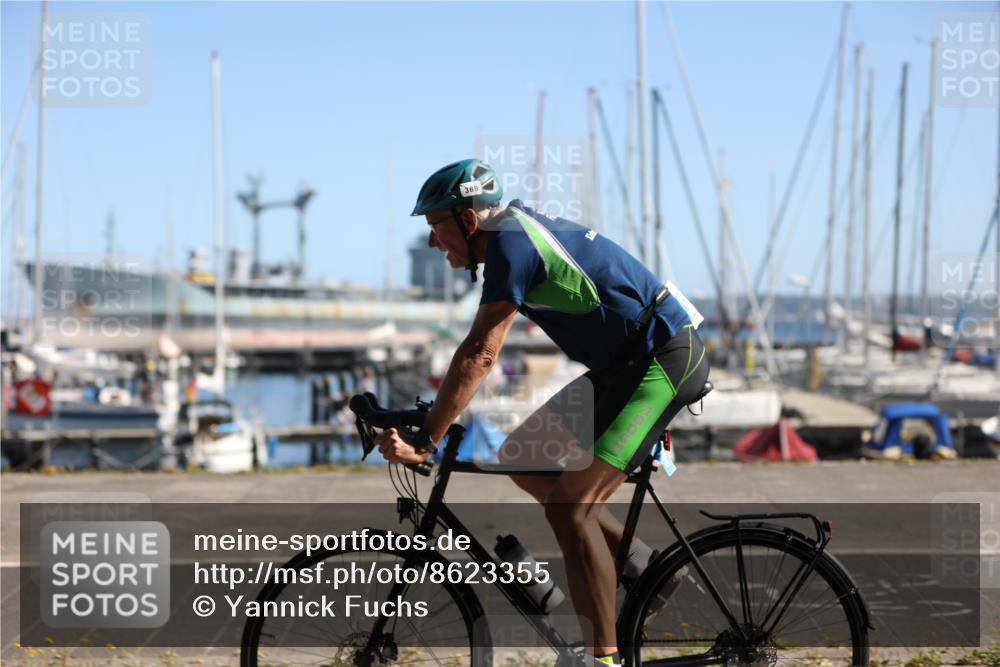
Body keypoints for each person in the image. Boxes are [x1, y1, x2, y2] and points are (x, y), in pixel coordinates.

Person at [374, 159, 710, 666]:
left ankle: (602, 657)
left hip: (664, 360)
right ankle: (640, 564)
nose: (430, 242)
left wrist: (428, 438)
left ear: (468, 220)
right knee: (522, 456)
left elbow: (481, 352)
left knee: (570, 507)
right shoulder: (513, 235)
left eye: (435, 226)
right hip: (626, 367)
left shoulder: (512, 243)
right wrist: (430, 425)